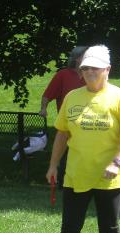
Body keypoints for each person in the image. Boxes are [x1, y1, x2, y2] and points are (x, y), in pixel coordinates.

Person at [45, 45, 120, 233]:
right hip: (76, 174)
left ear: (107, 69)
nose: (90, 73)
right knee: (70, 226)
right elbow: (62, 134)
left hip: (109, 177)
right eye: (86, 69)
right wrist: (53, 165)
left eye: (95, 69)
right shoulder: (72, 97)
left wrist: (117, 162)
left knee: (109, 227)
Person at [40, 46, 88, 187]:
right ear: (78, 59)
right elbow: (47, 95)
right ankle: (63, 183)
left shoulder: (91, 75)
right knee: (64, 154)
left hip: (88, 124)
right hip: (67, 124)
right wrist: (43, 108)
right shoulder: (63, 75)